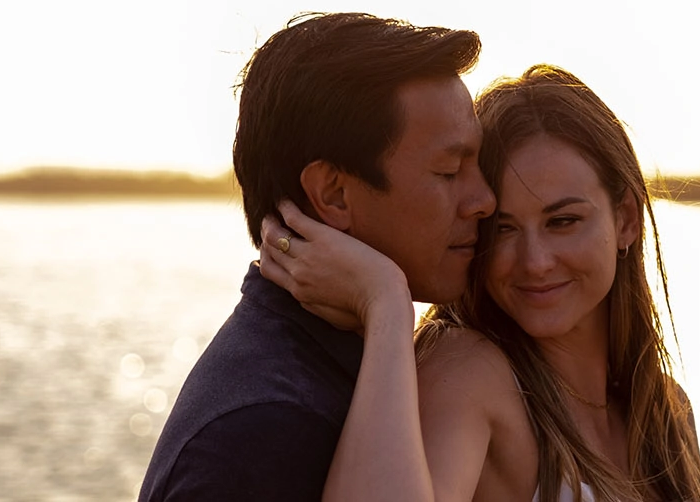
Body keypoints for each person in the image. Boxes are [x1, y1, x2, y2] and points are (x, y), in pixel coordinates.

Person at [260, 64, 700, 501]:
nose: (534, 262)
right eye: (503, 228)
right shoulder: (470, 374)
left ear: (627, 219)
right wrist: (386, 302)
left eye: (563, 221)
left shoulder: (668, 414)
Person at [138, 12, 495, 501]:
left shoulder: (339, 365)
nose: (485, 201)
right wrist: (387, 301)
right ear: (334, 195)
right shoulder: (267, 429)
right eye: (451, 171)